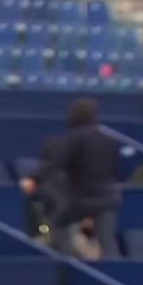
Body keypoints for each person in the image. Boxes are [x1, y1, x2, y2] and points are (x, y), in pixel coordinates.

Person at [21, 97, 123, 258]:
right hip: (108, 199)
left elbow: (54, 163)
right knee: (108, 242)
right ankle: (116, 270)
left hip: (83, 199)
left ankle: (67, 261)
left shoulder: (74, 138)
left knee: (58, 221)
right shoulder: (110, 141)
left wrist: (34, 179)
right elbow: (115, 171)